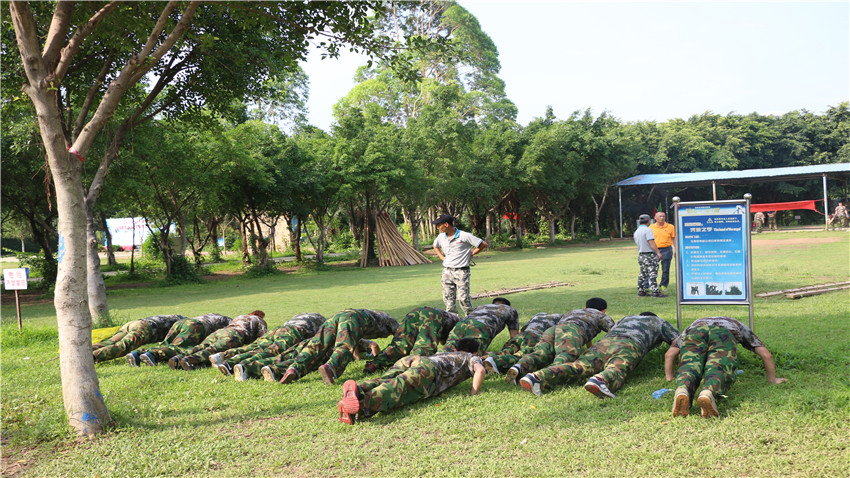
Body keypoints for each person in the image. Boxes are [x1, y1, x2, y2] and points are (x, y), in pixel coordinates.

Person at [519, 312, 679, 398]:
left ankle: (537, 376)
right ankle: (600, 380)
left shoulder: (626, 318)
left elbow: (611, 329)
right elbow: (677, 342)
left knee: (578, 366)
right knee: (617, 367)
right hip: (630, 345)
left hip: (604, 343)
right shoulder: (658, 322)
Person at [337, 338, 485, 424]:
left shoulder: (448, 353)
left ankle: (359, 389)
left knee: (386, 378)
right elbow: (480, 370)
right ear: (475, 352)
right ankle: (362, 405)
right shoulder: (470, 357)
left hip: (415, 359)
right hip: (428, 368)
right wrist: (474, 392)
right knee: (399, 386)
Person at [665, 316, 787, 418]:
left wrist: (669, 378)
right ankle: (708, 393)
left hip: (696, 332)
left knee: (690, 364)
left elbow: (669, 354)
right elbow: (767, 355)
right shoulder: (737, 324)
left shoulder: (694, 324)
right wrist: (772, 379)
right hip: (724, 334)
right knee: (719, 367)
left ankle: (682, 389)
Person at [500, 298, 613, 385]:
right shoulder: (602, 315)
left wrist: (589, 346)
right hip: (571, 330)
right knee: (565, 356)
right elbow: (614, 333)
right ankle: (541, 378)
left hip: (553, 329)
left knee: (541, 353)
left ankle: (518, 367)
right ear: (604, 310)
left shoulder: (573, 311)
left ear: (585, 307)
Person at [275, 309, 399, 385]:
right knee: (344, 346)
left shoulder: (373, 318)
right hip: (353, 317)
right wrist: (378, 362)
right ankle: (331, 367)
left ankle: (293, 369)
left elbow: (354, 342)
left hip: (337, 316)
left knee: (317, 345)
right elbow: (399, 340)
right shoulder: (391, 322)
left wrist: (358, 359)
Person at [211, 312, 326, 377]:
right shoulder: (323, 322)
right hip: (293, 332)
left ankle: (224, 358)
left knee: (254, 347)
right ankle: (244, 367)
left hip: (278, 329)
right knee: (270, 351)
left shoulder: (303, 315)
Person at [363, 306, 461, 374]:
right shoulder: (459, 324)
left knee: (400, 344)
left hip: (415, 312)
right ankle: (413, 369)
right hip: (432, 315)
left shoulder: (452, 318)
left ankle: (373, 364)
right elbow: (445, 343)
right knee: (424, 347)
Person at [431, 214, 488, 316]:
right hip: (447, 271)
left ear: (446, 224)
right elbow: (435, 246)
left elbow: (483, 244)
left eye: (439, 225)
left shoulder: (464, 236)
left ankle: (471, 319)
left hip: (461, 271)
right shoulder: (440, 237)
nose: (438, 227)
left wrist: (472, 253)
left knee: (463, 299)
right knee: (448, 299)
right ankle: (452, 320)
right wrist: (442, 257)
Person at [171, 311, 268, 370]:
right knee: (212, 350)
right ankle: (189, 360)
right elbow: (263, 336)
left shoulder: (240, 316)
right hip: (235, 335)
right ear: (260, 316)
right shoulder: (258, 320)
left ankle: (177, 358)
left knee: (201, 346)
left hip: (220, 331)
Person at [481, 311, 567, 375]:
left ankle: (483, 358)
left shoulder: (539, 314)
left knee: (506, 351)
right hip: (534, 337)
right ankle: (496, 362)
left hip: (521, 335)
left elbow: (524, 328)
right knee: (520, 355)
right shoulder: (562, 319)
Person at [131, 313, 232, 366]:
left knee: (166, 346)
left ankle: (137, 353)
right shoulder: (229, 322)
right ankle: (152, 354)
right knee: (180, 348)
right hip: (194, 326)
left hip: (181, 322)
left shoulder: (214, 315)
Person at [93, 314, 185, 363]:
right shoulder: (186, 324)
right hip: (145, 327)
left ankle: (84, 351)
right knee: (123, 347)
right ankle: (91, 357)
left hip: (133, 324)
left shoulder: (178, 317)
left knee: (111, 342)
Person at [442, 298, 519, 353]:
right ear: (508, 305)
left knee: (448, 348)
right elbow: (514, 336)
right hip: (480, 327)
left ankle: (436, 362)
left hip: (462, 324)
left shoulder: (481, 306)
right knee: (473, 354)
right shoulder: (510, 310)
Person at [634, 213, 665, 297]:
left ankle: (641, 290)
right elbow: (651, 242)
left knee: (643, 273)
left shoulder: (637, 231)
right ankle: (655, 291)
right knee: (652, 273)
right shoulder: (648, 230)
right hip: (649, 254)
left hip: (641, 255)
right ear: (649, 221)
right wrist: (658, 252)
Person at [649, 211, 675, 290]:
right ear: (655, 218)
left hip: (667, 249)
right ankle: (649, 284)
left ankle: (664, 285)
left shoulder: (670, 227)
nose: (662, 218)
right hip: (654, 249)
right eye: (660, 216)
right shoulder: (651, 227)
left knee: (666, 268)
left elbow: (674, 239)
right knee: (652, 268)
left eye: (663, 216)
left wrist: (675, 250)